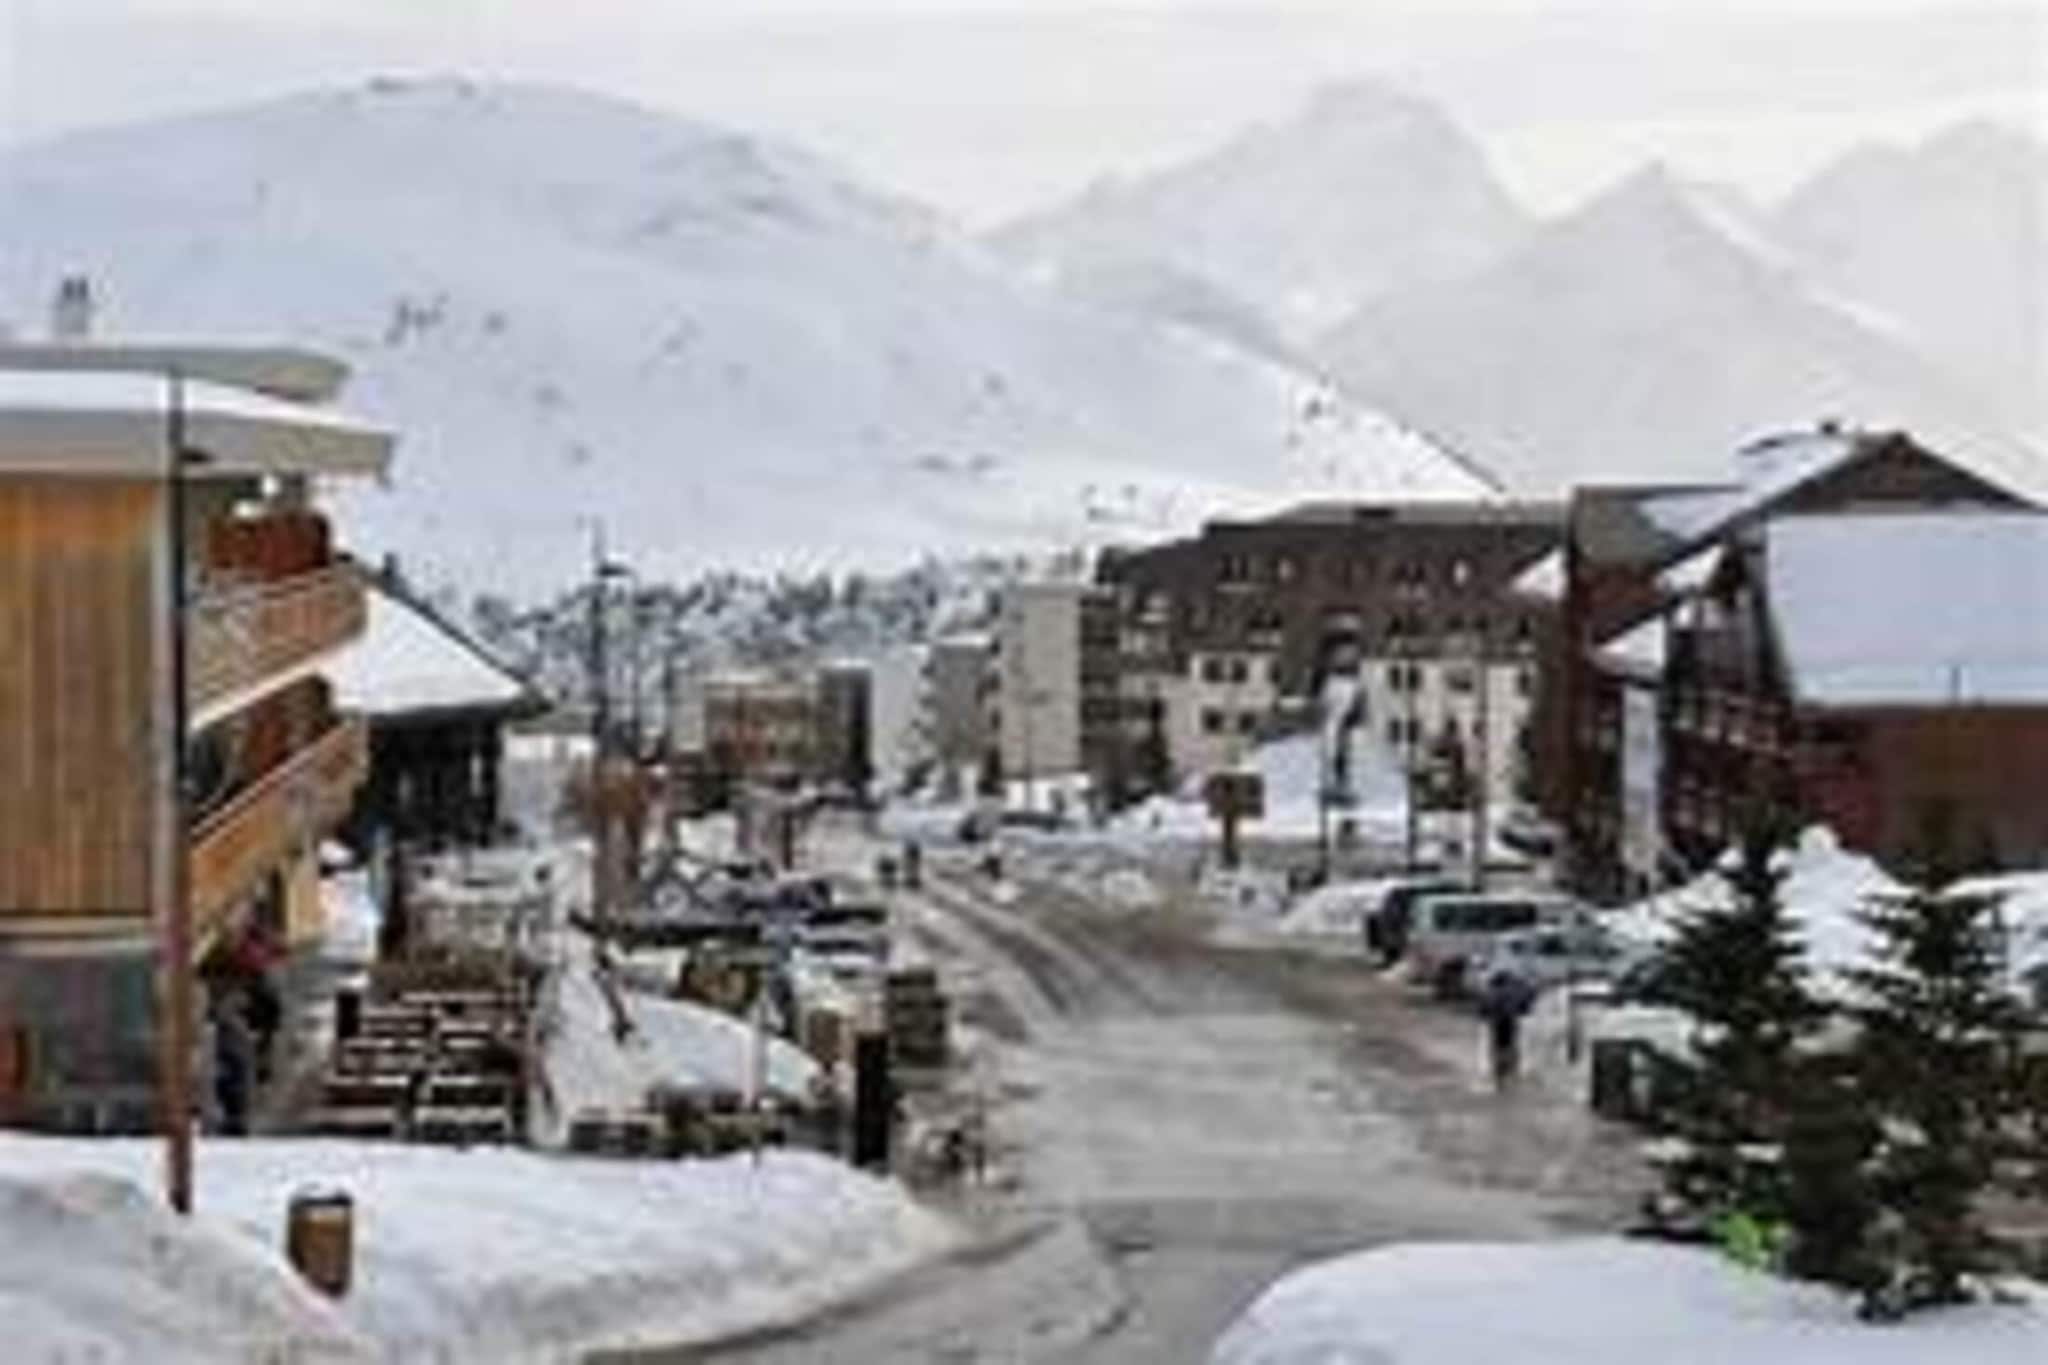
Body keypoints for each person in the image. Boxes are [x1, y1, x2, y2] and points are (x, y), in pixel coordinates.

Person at [1479, 968, 1537, 1089]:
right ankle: (1509, 1071)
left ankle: (1500, 1072)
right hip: (1510, 1021)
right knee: (1510, 1046)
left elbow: (1484, 1008)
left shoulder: (1491, 991)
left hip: (1496, 1022)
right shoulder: (1516, 990)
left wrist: (1486, 1017)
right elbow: (1525, 1004)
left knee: (1498, 1047)